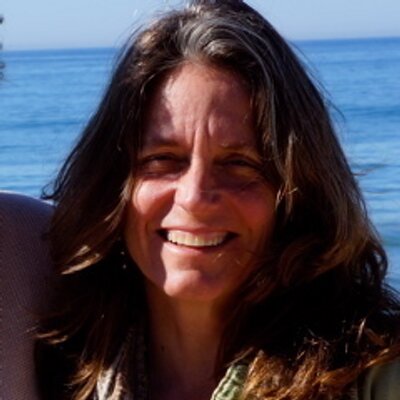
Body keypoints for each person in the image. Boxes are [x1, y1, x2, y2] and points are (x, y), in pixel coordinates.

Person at [35, 1, 400, 399]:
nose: (195, 197)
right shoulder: (49, 368)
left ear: (297, 190)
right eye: (162, 159)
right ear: (111, 182)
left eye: (239, 164)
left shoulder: (375, 377)